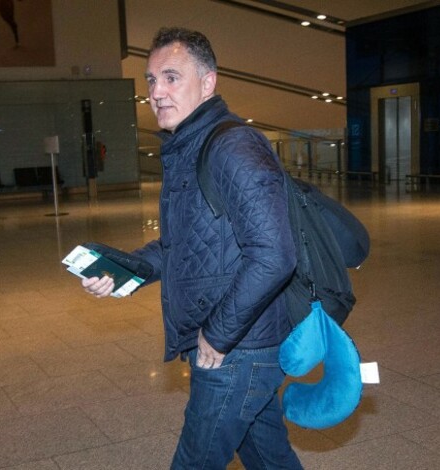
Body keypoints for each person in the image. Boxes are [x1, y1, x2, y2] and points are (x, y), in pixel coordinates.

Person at [82, 26, 303, 469]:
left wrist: (217, 334)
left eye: (171, 77)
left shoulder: (233, 146)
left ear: (207, 82)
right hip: (240, 345)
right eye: (150, 80)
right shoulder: (190, 146)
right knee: (269, 458)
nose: (156, 92)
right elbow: (178, 247)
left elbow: (276, 254)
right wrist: (122, 270)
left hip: (238, 349)